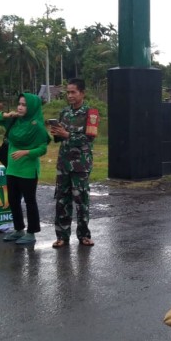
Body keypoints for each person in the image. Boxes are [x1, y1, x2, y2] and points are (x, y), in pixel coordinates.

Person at [0, 93, 50, 246]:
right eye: (19, 104)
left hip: (28, 170)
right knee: (13, 200)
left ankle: (31, 233)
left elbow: (43, 149)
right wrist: (6, 114)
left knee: (30, 201)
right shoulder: (14, 120)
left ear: (32, 107)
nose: (20, 107)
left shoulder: (37, 126)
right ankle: (18, 229)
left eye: (24, 105)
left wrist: (26, 152)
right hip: (12, 168)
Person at [49, 79, 96, 248]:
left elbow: (89, 138)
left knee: (81, 200)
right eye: (68, 92)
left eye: (73, 92)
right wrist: (56, 132)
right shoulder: (64, 113)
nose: (70, 95)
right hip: (64, 163)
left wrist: (67, 134)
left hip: (81, 164)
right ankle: (62, 236)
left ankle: (84, 235)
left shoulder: (90, 113)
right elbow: (59, 138)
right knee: (62, 200)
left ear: (82, 93)